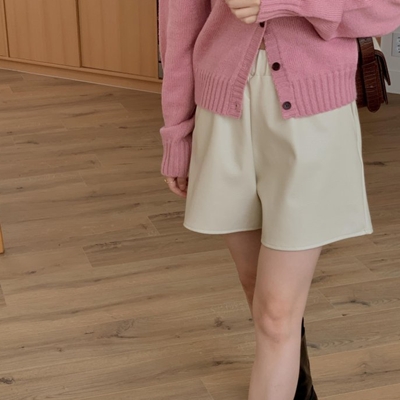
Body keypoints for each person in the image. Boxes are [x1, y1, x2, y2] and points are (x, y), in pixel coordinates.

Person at [157, 1, 400, 399]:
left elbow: (385, 9)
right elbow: (179, 26)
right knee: (256, 287)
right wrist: (177, 133)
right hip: (222, 112)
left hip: (313, 115)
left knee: (274, 315)